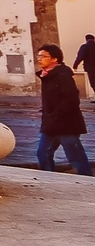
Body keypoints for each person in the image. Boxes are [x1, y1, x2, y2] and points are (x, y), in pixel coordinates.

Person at [37, 44, 91, 177]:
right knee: (43, 153)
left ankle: (87, 182)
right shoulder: (47, 76)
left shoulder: (62, 76)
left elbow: (71, 100)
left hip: (66, 125)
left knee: (75, 157)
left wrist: (54, 116)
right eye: (39, 56)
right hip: (51, 125)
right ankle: (49, 179)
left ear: (54, 59)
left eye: (43, 56)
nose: (39, 59)